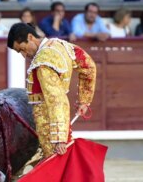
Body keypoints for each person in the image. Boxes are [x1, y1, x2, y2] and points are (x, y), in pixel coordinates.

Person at [7, 22, 96, 158]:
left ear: (30, 37)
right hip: (61, 125)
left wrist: (59, 138)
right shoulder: (60, 44)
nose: (24, 55)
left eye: (23, 49)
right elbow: (88, 66)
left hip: (50, 130)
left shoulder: (43, 63)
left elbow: (56, 100)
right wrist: (84, 101)